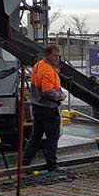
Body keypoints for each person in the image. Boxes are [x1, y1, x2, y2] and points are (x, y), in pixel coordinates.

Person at [22, 43, 65, 171]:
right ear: (47, 55)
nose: (57, 58)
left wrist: (54, 73)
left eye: (58, 56)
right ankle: (52, 165)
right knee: (52, 137)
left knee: (35, 137)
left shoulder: (39, 65)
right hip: (48, 108)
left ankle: (25, 163)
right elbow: (47, 91)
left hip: (37, 107)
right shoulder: (47, 70)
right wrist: (60, 96)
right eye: (55, 56)